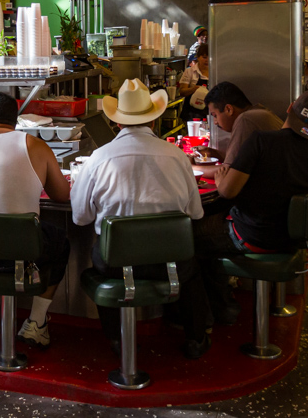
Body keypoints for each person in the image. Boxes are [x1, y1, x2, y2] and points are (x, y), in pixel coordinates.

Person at [71, 79, 211, 359]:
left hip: (115, 266)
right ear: (154, 120)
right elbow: (196, 213)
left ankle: (116, 339)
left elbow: (80, 218)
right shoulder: (177, 156)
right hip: (171, 265)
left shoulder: (98, 158)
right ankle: (196, 338)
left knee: (98, 261)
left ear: (117, 124)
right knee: (193, 267)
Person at [193, 91, 308, 323]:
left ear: (290, 108)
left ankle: (217, 308)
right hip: (293, 239)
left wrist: (219, 180)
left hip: (253, 236)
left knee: (188, 236)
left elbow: (227, 191)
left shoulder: (261, 141)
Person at [0, 92, 71, 348]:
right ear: (15, 122)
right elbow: (62, 196)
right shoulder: (34, 145)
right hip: (25, 254)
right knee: (61, 241)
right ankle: (36, 322)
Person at [197, 82, 283, 180]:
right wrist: (213, 153)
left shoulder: (245, 119)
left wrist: (192, 168)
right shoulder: (260, 112)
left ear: (229, 109)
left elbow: (229, 172)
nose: (215, 122)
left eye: (215, 115)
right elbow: (243, 159)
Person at [179, 43, 209, 124]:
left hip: (208, 113)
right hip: (191, 114)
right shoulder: (190, 71)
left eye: (209, 57)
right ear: (198, 57)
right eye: (204, 57)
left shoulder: (214, 73)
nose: (207, 60)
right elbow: (182, 91)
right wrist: (193, 89)